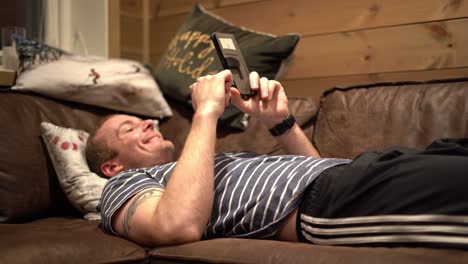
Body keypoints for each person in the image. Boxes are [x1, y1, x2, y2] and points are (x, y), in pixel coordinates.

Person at [87, 70, 468, 249]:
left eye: (143, 119)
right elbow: (175, 227)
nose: (148, 124)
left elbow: (316, 168)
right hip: (330, 200)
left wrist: (280, 123)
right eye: (129, 129)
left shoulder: (192, 165)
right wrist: (205, 114)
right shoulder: (124, 187)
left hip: (351, 172)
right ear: (111, 166)